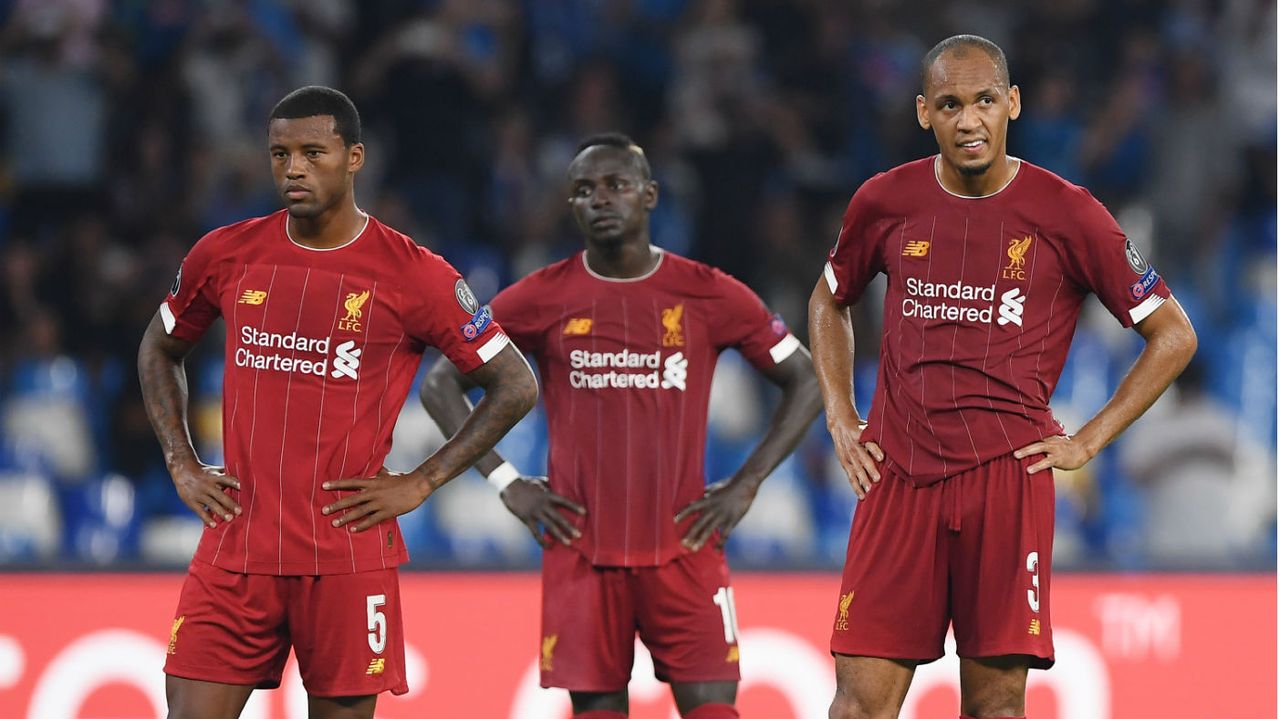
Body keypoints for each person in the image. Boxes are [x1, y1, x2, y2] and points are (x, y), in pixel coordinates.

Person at [808, 36, 1197, 719]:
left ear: (1011, 103)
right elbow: (828, 297)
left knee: (995, 707)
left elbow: (1173, 334)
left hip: (1004, 481)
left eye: (985, 100)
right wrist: (840, 411)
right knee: (856, 705)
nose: (969, 120)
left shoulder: (1068, 212)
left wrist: (1088, 440)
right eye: (951, 104)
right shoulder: (883, 200)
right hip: (896, 476)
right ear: (924, 112)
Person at [137, 86, 538, 719]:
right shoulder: (225, 253)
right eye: (279, 154)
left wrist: (422, 480)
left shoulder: (415, 275)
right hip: (237, 547)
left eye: (312, 152)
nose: (293, 168)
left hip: (347, 554)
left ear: (354, 158)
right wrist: (180, 462)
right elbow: (159, 347)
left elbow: (515, 383)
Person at [421, 133, 822, 719]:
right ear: (571, 206)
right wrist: (508, 482)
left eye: (616, 185)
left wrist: (747, 483)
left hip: (685, 549)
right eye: (584, 190)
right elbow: (440, 385)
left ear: (650, 196)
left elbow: (806, 380)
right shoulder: (541, 296)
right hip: (581, 553)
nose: (600, 199)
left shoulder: (708, 292)